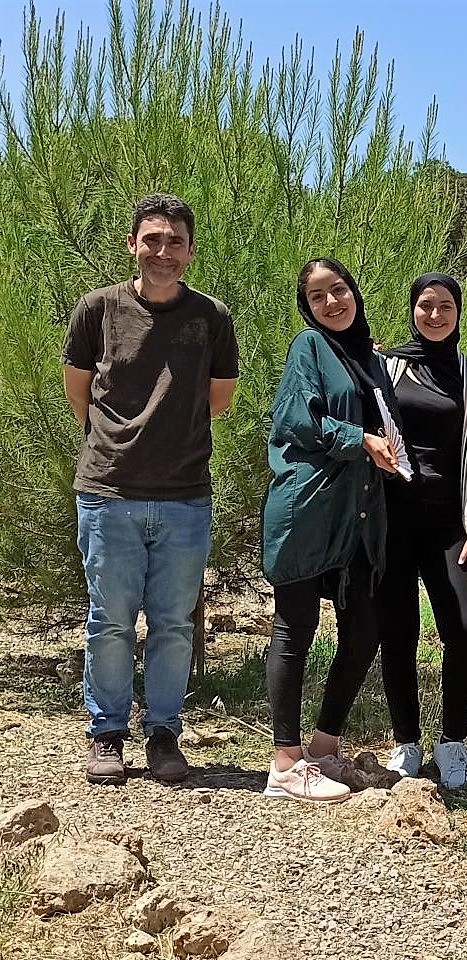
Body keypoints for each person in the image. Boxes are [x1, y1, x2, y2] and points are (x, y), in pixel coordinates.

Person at [64, 194, 239, 786]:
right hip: (108, 491)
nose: (163, 251)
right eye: (152, 239)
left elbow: (219, 399)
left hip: (185, 495)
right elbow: (79, 390)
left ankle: (164, 734)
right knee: (109, 620)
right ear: (133, 244)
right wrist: (119, 443)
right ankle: (107, 733)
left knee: (173, 623)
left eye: (175, 241)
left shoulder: (211, 317)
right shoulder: (98, 309)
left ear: (190, 251)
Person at [259, 258, 401, 804]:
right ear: (308, 308)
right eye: (317, 297)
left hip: (359, 513)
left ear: (354, 293)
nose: (331, 302)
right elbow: (297, 420)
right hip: (309, 508)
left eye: (338, 290)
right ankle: (284, 763)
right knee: (295, 629)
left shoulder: (369, 358)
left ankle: (323, 748)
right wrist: (360, 439)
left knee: (364, 630)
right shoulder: (309, 347)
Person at [377, 273, 467, 789]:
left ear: (459, 312)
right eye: (425, 305)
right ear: (412, 310)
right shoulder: (386, 367)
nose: (434, 315)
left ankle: (452, 742)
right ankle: (406, 741)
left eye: (445, 306)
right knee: (397, 631)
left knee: (466, 627)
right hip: (392, 519)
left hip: (450, 522)